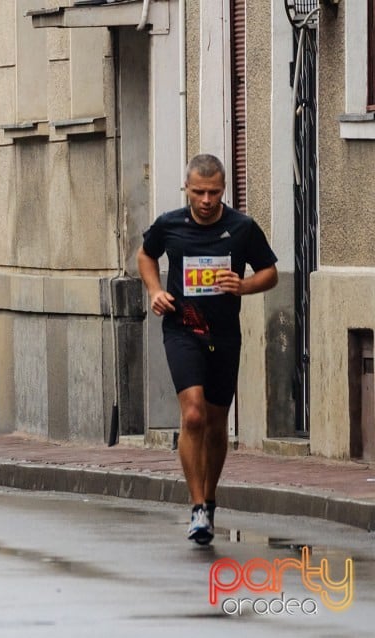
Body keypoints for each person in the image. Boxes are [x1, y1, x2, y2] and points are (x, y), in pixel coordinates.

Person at [137, 154, 278, 545]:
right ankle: (196, 505)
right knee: (194, 415)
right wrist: (156, 291)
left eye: (214, 192)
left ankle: (210, 499)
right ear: (187, 188)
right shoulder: (170, 224)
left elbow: (270, 271)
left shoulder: (242, 227)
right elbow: (146, 255)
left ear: (224, 190)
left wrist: (243, 286)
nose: (206, 200)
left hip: (224, 334)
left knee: (217, 424)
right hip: (183, 330)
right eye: (199, 192)